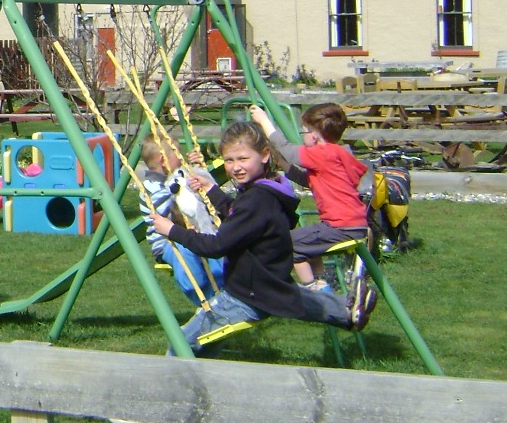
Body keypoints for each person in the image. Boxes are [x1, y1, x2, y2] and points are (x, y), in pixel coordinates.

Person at [149, 120, 376, 356]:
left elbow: (216, 245)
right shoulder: (271, 190)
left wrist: (172, 230)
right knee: (291, 299)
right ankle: (346, 310)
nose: (236, 167)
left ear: (265, 155)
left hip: (245, 295)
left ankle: (173, 389)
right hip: (269, 285)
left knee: (180, 346)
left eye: (243, 159)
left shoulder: (255, 199)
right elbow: (241, 219)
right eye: (229, 160)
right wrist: (212, 190)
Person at [250, 103, 369, 287]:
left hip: (340, 227)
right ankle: (322, 282)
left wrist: (264, 121)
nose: (302, 136)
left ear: (314, 136)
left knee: (286, 243)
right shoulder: (336, 154)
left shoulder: (323, 153)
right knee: (305, 241)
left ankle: (311, 288)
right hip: (351, 225)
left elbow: (288, 149)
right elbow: (307, 180)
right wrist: (281, 162)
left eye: (303, 132)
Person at [139, 136, 225, 305]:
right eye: (177, 155)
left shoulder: (175, 179)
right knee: (186, 255)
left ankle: (224, 291)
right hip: (167, 243)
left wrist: (197, 171)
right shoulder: (150, 188)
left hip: (190, 234)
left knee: (215, 244)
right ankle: (203, 298)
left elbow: (194, 203)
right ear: (163, 160)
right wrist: (186, 180)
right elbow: (172, 209)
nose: (181, 158)